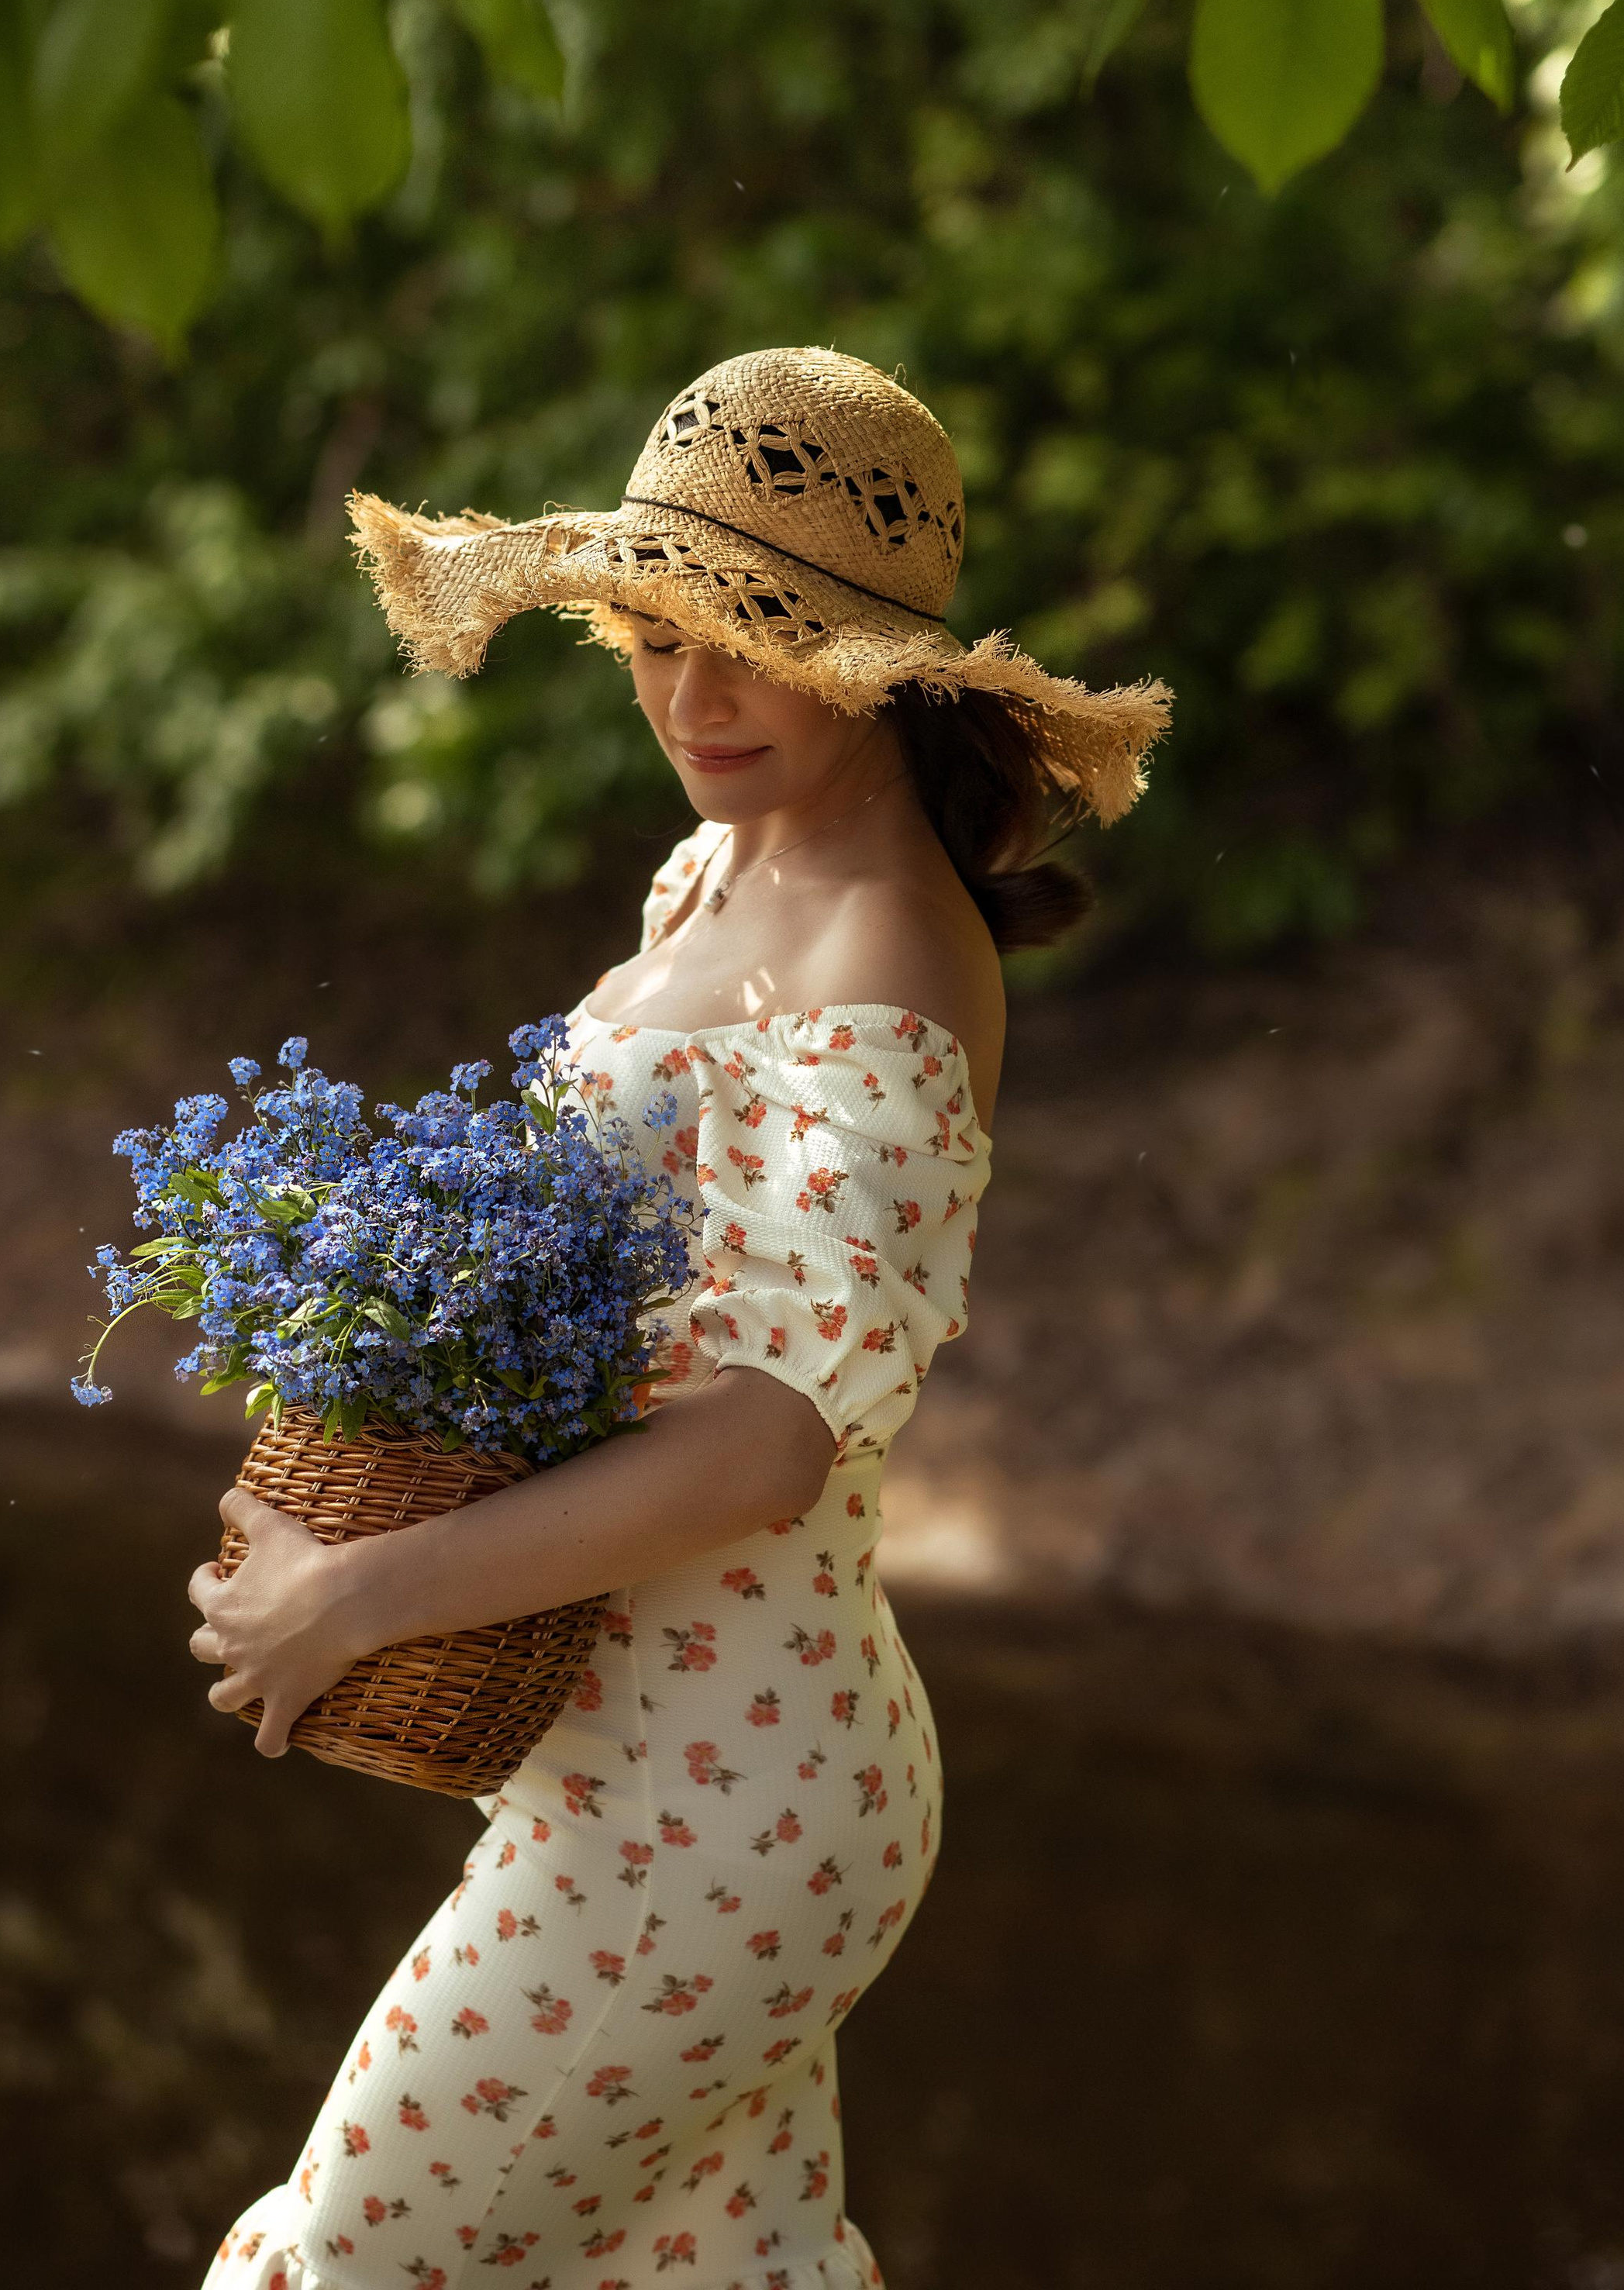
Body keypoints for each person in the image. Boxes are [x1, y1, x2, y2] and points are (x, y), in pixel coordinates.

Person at [188, 347, 1169, 2289]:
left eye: (745, 642)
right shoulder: (717, 866)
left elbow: (774, 1435)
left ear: (875, 665)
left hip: (721, 1797)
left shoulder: (880, 948)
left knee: (346, 2266)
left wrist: (365, 1596)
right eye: (646, 634)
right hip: (642, 1759)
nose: (686, 696)